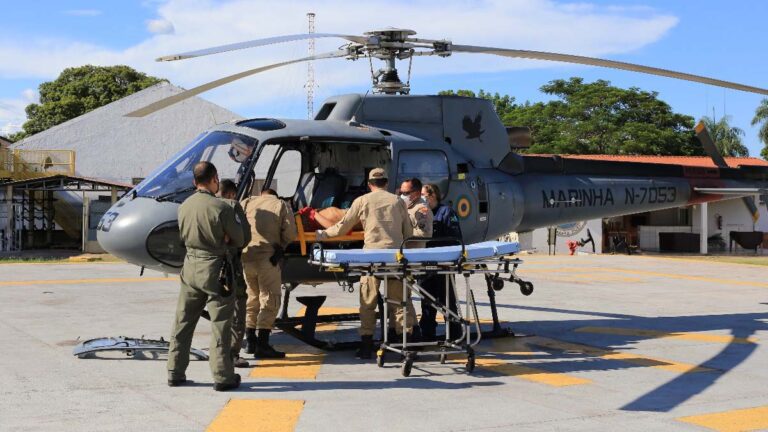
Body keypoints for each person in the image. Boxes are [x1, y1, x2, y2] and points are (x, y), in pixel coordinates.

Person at [317, 168, 413, 359]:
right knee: (400, 303)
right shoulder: (398, 202)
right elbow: (408, 233)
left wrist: (323, 234)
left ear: (369, 184)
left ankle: (366, 346)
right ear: (386, 183)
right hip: (395, 258)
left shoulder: (361, 201)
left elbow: (343, 227)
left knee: (367, 303)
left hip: (371, 259)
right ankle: (405, 347)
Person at [168, 161, 244, 391]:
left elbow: (183, 237)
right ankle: (222, 376)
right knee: (220, 323)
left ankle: (175, 371)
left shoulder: (184, 206)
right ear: (214, 180)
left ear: (194, 182)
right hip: (215, 269)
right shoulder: (222, 208)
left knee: (183, 321)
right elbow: (240, 239)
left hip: (190, 268)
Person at [241, 188, 298, 359]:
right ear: (274, 194)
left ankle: (250, 341)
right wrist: (282, 247)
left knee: (252, 297)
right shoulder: (281, 205)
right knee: (270, 299)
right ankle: (263, 345)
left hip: (246, 257)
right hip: (268, 258)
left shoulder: (247, 202)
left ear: (262, 193)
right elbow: (290, 233)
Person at [420, 183, 463, 341]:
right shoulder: (422, 212)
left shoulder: (446, 212)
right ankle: (427, 333)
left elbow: (455, 237)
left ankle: (454, 333)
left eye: (423, 194)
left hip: (443, 264)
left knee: (447, 301)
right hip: (425, 263)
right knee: (427, 300)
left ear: (432, 195)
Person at [219, 179, 251, 368]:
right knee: (238, 306)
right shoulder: (232, 207)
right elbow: (244, 238)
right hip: (230, 267)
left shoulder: (201, 206)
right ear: (231, 194)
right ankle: (232, 353)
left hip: (205, 267)